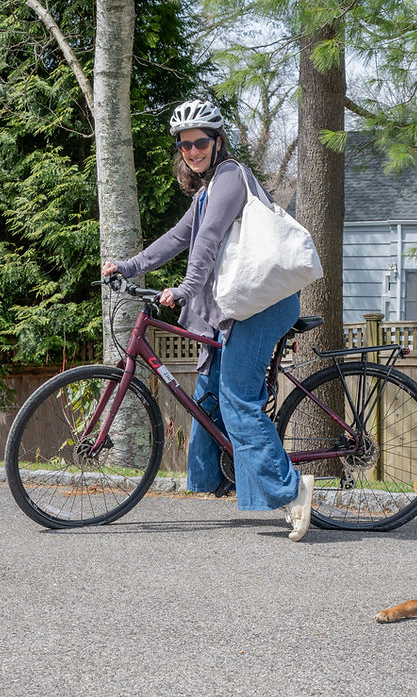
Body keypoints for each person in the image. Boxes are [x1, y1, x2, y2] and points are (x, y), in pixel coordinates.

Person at [101, 99, 315, 542]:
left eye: (200, 142)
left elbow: (208, 245)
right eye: (185, 145)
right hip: (240, 307)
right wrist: (128, 266)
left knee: (238, 398)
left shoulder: (231, 178)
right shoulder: (207, 190)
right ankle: (218, 478)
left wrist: (182, 290)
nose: (192, 151)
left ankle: (293, 491)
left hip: (263, 307)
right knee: (209, 389)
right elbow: (179, 237)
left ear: (217, 143)